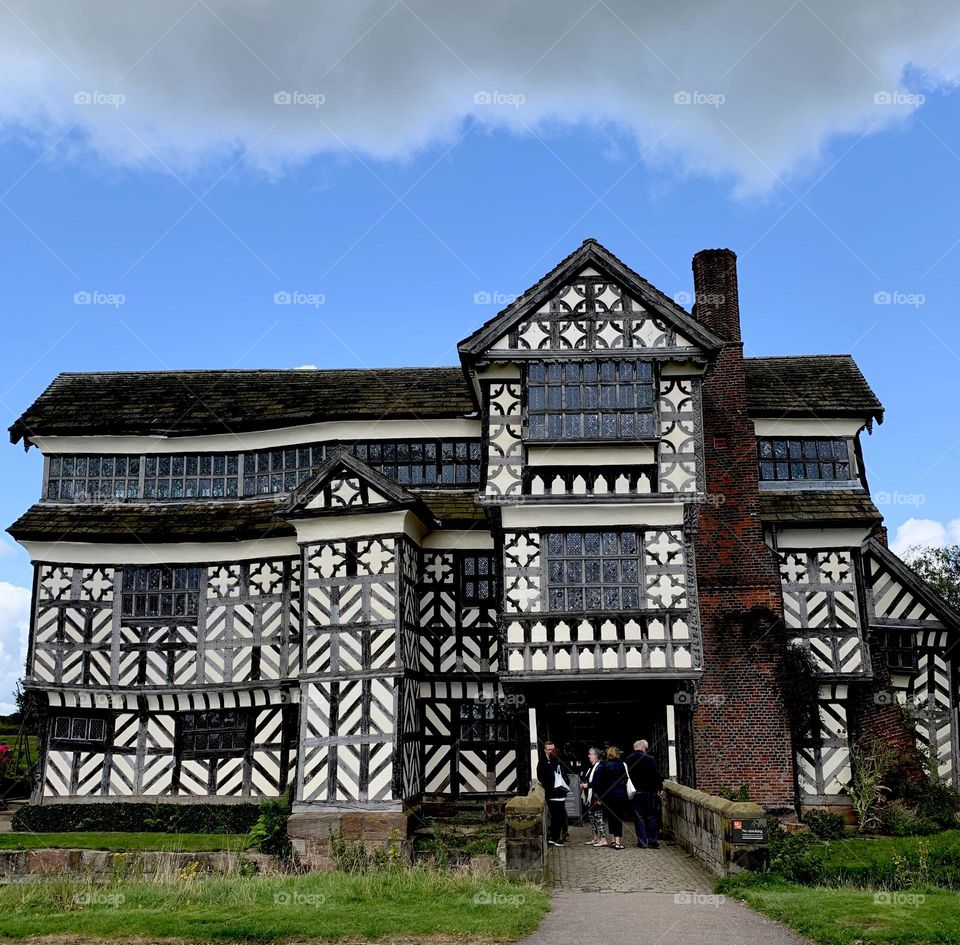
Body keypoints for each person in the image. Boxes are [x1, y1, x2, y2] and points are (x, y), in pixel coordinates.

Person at [625, 739, 664, 848]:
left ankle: (642, 842)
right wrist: (659, 787)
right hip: (649, 792)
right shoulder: (650, 759)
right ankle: (653, 840)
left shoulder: (629, 759)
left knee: (639, 817)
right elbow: (656, 774)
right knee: (651, 816)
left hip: (636, 792)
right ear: (643, 747)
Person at [594, 745, 630, 850]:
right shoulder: (622, 765)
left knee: (611, 817)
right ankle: (617, 841)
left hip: (608, 796)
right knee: (618, 818)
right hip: (619, 795)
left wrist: (600, 796)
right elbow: (625, 779)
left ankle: (613, 840)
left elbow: (600, 783)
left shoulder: (603, 766)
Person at [536, 739, 570, 847]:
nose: (551, 751)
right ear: (545, 750)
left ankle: (558, 836)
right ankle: (556, 838)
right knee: (557, 817)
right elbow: (541, 777)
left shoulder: (557, 763)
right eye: (549, 749)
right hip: (555, 794)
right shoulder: (543, 762)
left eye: (552, 749)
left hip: (553, 793)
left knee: (559, 816)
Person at [579, 747, 606, 846]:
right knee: (592, 818)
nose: (588, 756)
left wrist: (587, 785)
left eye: (590, 754)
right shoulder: (591, 767)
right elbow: (587, 779)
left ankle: (603, 839)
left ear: (596, 756)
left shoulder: (600, 767)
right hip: (590, 797)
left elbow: (599, 783)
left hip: (597, 796)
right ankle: (595, 837)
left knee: (598, 818)